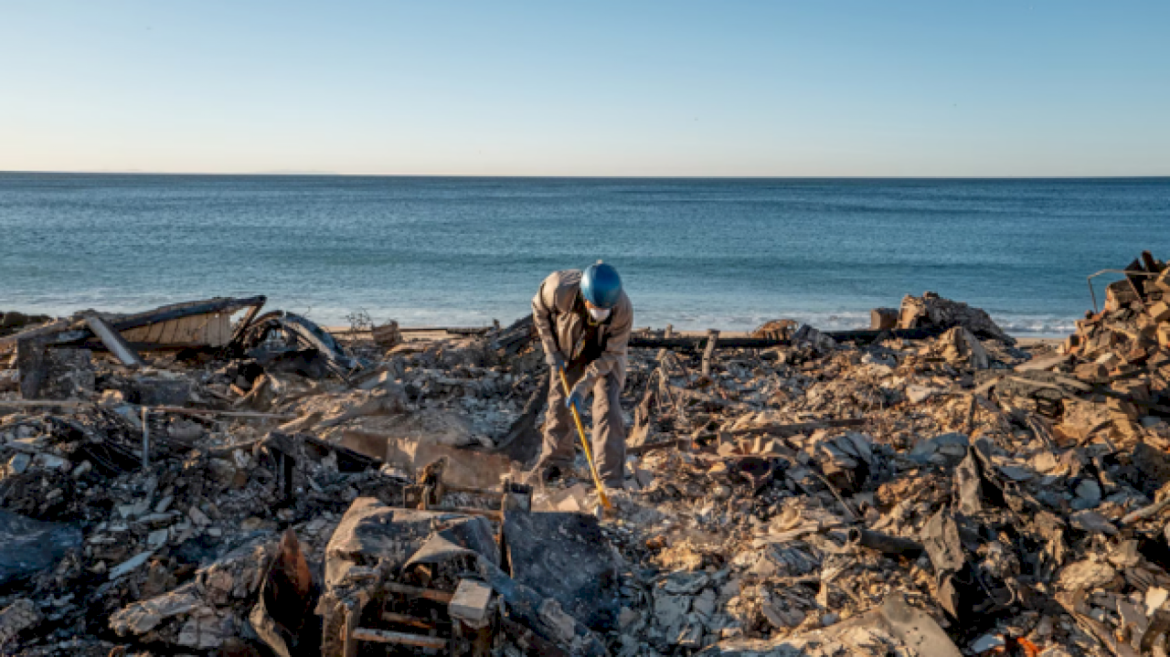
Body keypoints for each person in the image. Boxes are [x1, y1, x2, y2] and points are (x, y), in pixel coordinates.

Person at [530, 261, 633, 489]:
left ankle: (610, 480)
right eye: (596, 309)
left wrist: (583, 386)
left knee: (608, 409)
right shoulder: (558, 288)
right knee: (558, 405)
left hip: (605, 356)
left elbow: (612, 353)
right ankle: (557, 463)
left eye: (605, 311)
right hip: (568, 349)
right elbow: (539, 310)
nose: (600, 315)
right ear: (584, 298)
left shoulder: (622, 308)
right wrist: (551, 350)